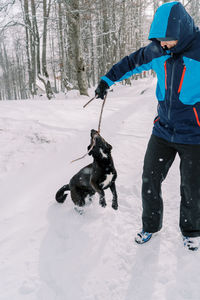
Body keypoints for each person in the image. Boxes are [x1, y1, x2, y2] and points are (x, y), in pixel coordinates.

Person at [95, 1, 200, 251]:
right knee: (149, 179)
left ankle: (191, 230)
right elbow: (131, 63)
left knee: (192, 187)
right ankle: (150, 226)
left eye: (167, 40)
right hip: (163, 130)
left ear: (181, 31)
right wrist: (107, 80)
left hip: (194, 134)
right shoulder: (157, 51)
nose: (163, 44)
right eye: (159, 39)